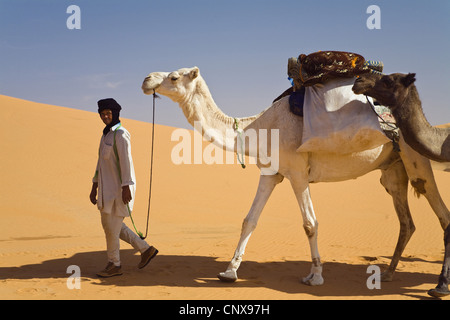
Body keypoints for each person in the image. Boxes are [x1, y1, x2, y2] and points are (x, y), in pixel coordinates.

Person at [90, 98, 158, 277]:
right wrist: (94, 185)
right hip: (106, 191)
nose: (105, 116)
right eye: (102, 114)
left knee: (110, 228)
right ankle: (145, 249)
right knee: (115, 227)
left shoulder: (121, 134)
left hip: (119, 191)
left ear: (115, 114)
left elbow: (126, 162)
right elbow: (100, 163)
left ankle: (115, 264)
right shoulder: (105, 135)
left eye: (108, 113)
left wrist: (127, 186)